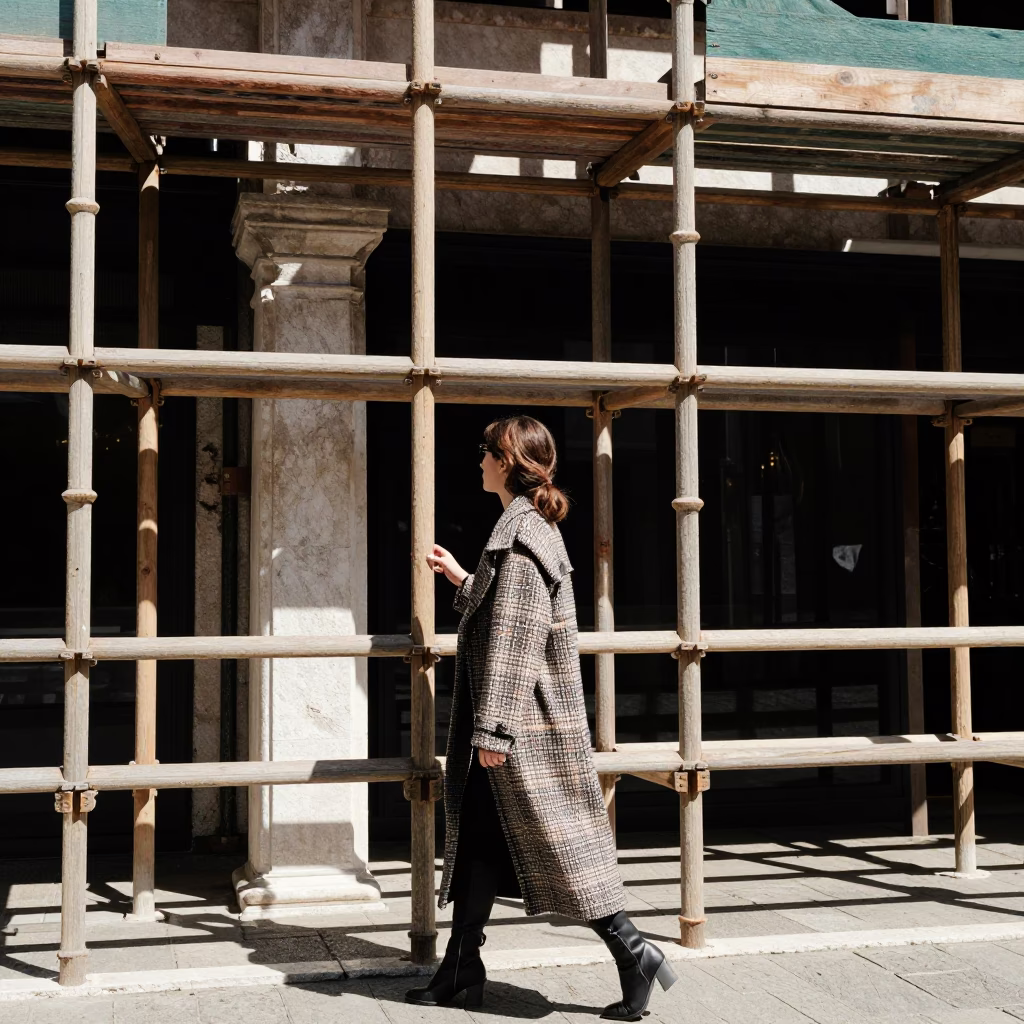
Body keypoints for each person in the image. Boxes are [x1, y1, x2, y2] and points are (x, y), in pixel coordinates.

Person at [405, 415, 676, 1021]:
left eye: (485, 452)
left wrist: (495, 729)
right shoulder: (521, 530)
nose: (477, 461)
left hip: (520, 727)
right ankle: (461, 962)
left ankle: (634, 950)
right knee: (478, 838)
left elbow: (518, 639)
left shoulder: (522, 536)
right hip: (513, 721)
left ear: (507, 462)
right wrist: (463, 578)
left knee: (563, 847)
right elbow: (511, 613)